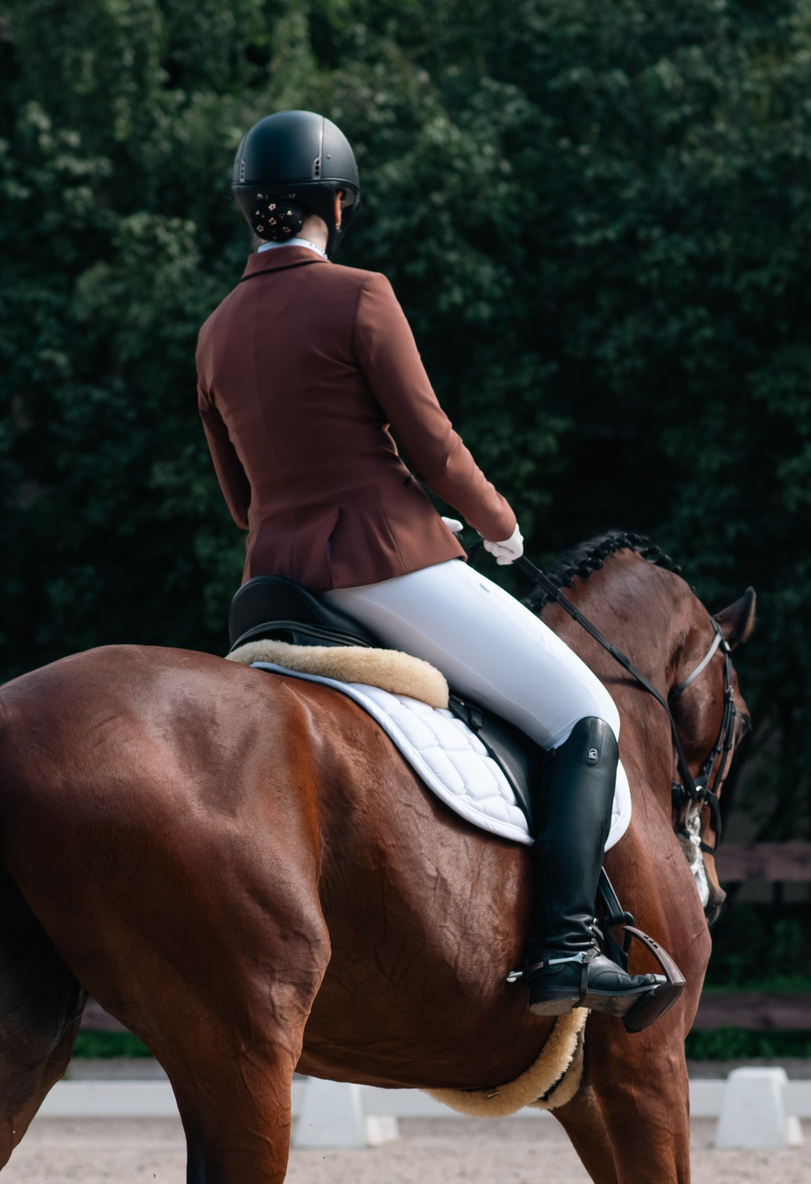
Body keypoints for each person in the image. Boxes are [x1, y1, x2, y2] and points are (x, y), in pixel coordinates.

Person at [196, 110, 665, 1020]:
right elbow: (431, 441)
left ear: (251, 208)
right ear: (338, 200)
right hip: (384, 567)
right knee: (585, 715)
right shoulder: (360, 295)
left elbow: (242, 501)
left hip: (278, 585)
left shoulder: (214, 333)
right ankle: (566, 948)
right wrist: (494, 523)